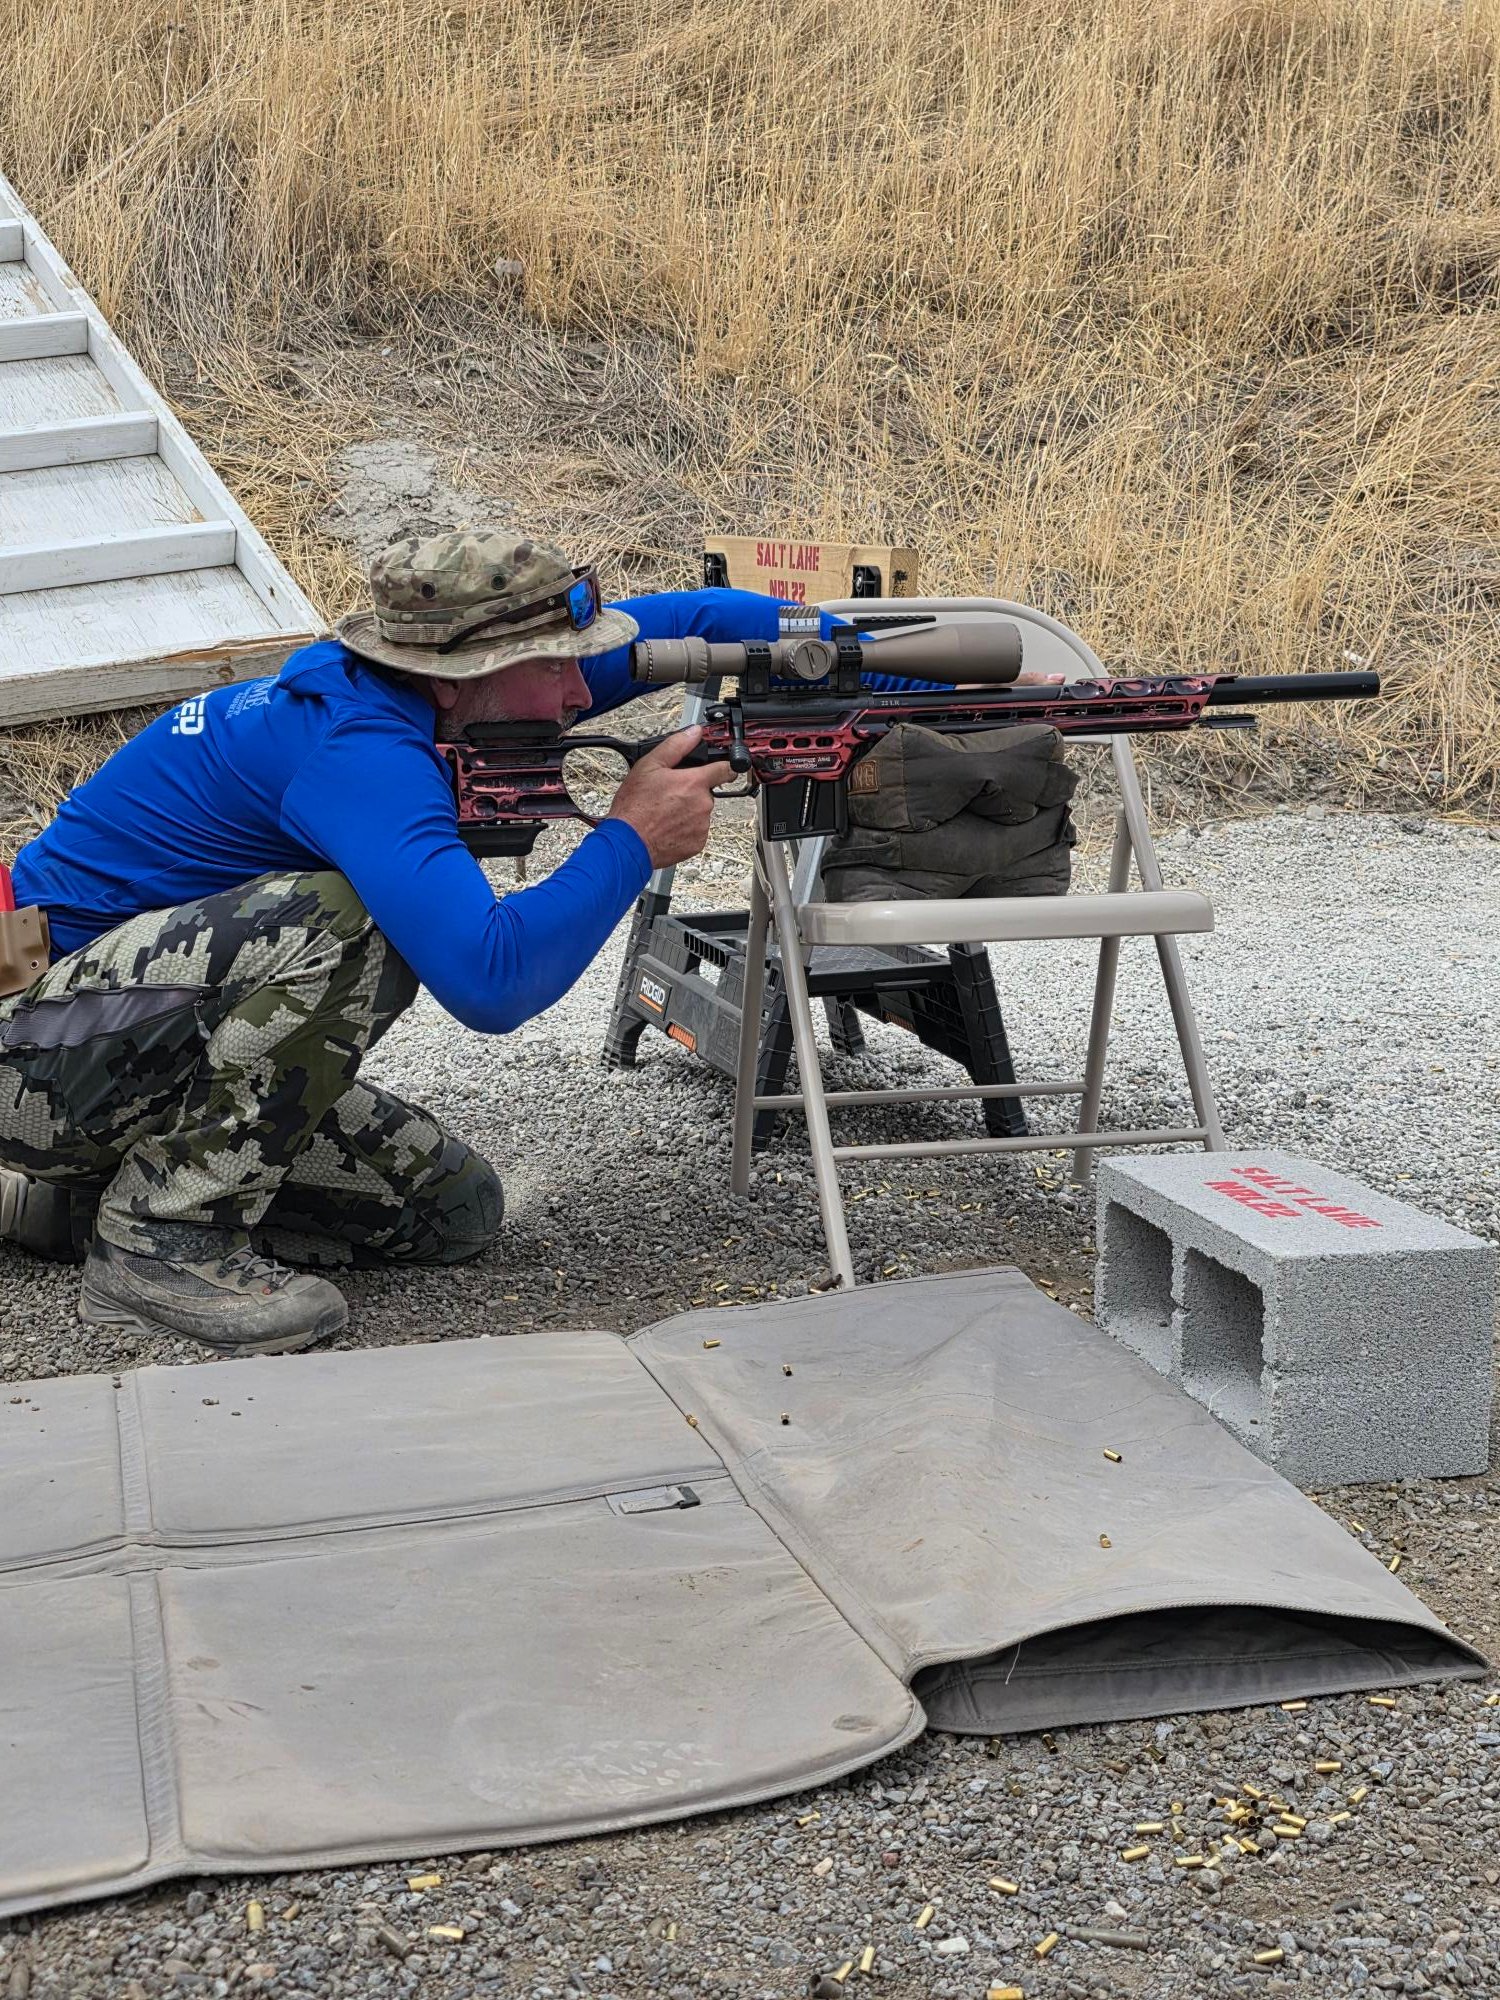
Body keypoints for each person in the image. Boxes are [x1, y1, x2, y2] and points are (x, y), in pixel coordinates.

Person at [0, 529, 777, 1355]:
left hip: (114, 1051)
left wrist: (860, 647)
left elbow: (702, 620)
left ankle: (57, 1202)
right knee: (340, 919)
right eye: (556, 667)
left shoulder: (439, 675)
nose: (580, 691)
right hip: (32, 1054)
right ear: (453, 681)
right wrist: (630, 838)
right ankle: (161, 1245)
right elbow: (492, 980)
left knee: (455, 1212)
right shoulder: (357, 749)